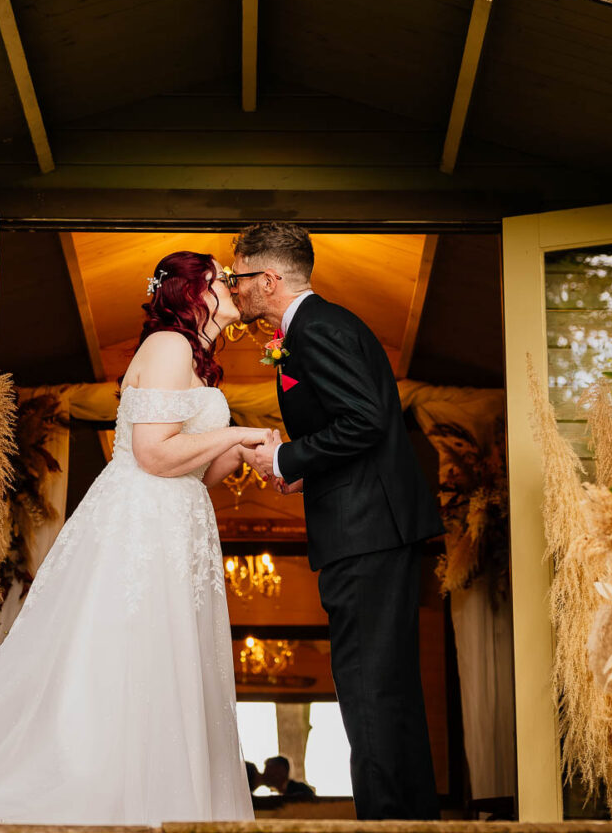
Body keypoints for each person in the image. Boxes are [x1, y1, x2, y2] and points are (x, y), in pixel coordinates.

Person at [0, 251, 265, 824]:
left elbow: (198, 474)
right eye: (219, 276)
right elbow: (154, 454)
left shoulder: (198, 362)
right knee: (128, 659)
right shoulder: (168, 346)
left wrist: (241, 450)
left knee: (170, 663)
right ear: (193, 291)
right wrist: (241, 430)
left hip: (179, 526)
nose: (230, 284)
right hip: (141, 525)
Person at [230, 222, 444, 820]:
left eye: (239, 276)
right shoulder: (317, 327)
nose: (234, 287)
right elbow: (353, 425)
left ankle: (388, 823)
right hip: (370, 525)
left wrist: (284, 457)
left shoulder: (317, 329)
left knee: (368, 689)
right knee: (385, 687)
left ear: (268, 279)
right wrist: (306, 470)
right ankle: (411, 820)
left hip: (365, 531)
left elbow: (368, 421)